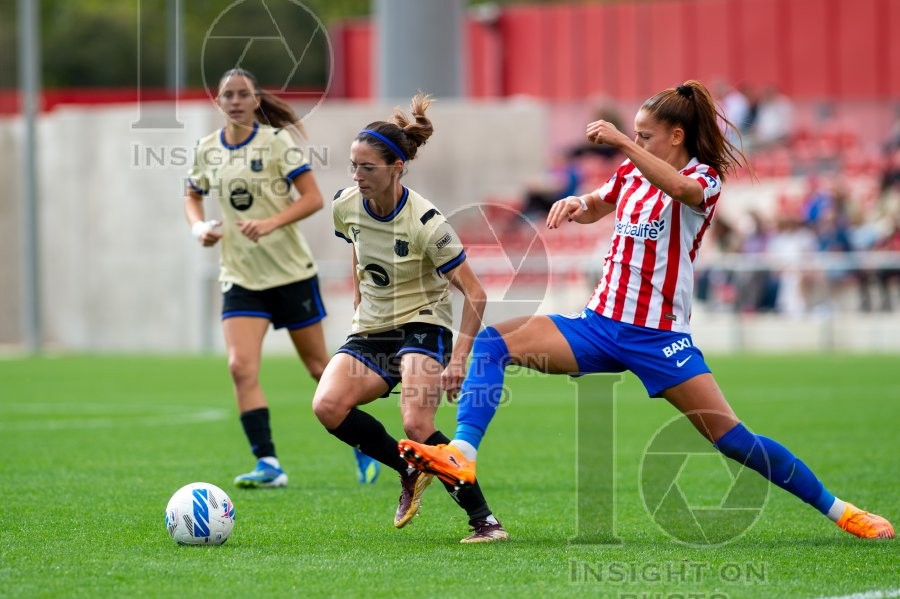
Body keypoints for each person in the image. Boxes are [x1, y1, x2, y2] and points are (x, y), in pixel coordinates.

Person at [400, 80, 894, 540]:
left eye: (645, 135)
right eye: (634, 134)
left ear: (677, 136)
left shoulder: (704, 178)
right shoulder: (631, 171)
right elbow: (598, 204)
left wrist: (621, 141)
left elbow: (680, 190)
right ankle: (462, 454)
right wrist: (576, 204)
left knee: (733, 439)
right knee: (493, 342)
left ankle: (842, 511)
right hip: (598, 325)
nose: (636, 142)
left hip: (659, 338)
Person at [312, 93, 508, 543]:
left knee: (417, 424)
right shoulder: (345, 205)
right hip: (373, 327)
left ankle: (484, 520)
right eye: (353, 166)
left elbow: (476, 293)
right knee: (327, 405)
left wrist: (459, 359)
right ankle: (407, 468)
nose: (357, 176)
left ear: (396, 168)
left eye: (368, 167)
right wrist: (360, 297)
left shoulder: (427, 224)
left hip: (424, 322)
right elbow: (357, 246)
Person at [184, 68, 379, 489]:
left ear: (256, 100)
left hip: (290, 274)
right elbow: (192, 196)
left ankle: (363, 440)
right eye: (228, 95)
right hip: (241, 277)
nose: (235, 101)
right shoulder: (207, 149)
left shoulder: (276, 143)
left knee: (318, 367)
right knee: (240, 367)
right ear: (218, 101)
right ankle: (268, 462)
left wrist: (270, 223)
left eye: (243, 94)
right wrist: (199, 227)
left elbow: (312, 198)